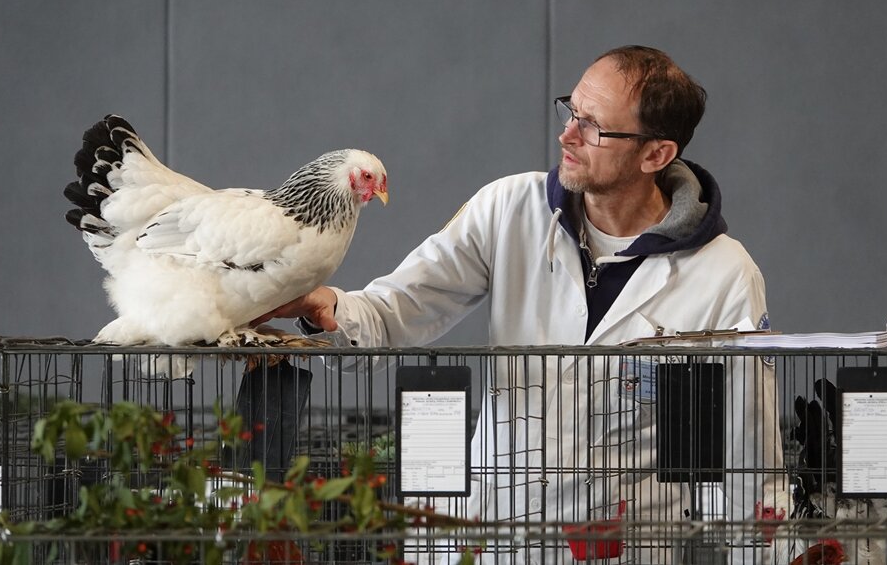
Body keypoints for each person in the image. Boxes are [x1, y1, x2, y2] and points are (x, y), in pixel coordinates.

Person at [258, 45, 787, 564]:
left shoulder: (723, 275)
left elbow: (747, 456)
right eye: (570, 110)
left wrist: (771, 553)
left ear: (656, 155)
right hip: (492, 539)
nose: (567, 135)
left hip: (620, 547)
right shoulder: (510, 209)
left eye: (593, 126)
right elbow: (400, 307)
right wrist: (326, 302)